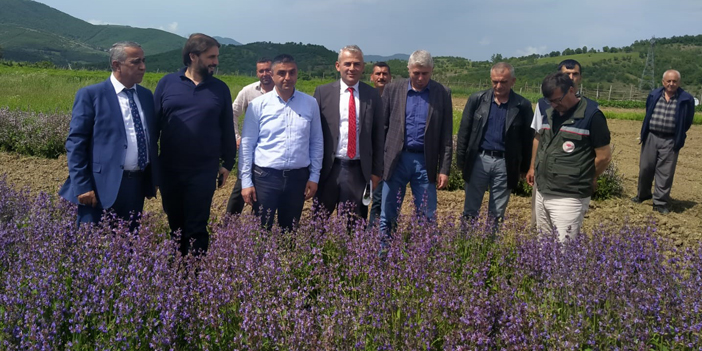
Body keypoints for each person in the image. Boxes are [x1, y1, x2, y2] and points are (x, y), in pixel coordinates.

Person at [59, 41, 158, 232]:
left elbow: (151, 139)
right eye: (135, 62)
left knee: (128, 248)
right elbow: (75, 143)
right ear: (116, 65)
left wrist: (153, 178)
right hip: (98, 187)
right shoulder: (92, 95)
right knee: (93, 249)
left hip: (135, 186)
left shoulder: (146, 96)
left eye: (144, 61)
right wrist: (82, 185)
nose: (143, 67)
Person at [154, 33, 236, 256]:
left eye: (216, 57)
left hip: (203, 171)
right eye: (211, 57)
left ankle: (195, 279)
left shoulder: (220, 89)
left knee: (197, 227)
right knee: (176, 226)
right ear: (193, 56)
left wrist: (228, 163)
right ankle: (176, 275)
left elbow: (227, 129)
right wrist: (153, 167)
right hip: (170, 170)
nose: (215, 62)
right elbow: (154, 126)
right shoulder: (167, 83)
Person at [239, 54, 323, 231]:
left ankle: (288, 259)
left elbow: (316, 141)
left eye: (292, 73)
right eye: (282, 73)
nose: (287, 78)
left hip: (298, 178)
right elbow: (247, 145)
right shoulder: (258, 105)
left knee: (289, 232)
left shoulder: (310, 103)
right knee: (261, 231)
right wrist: (246, 181)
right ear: (272, 75)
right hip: (265, 178)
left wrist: (314, 176)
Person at [380, 50, 453, 240]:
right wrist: (379, 161)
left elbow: (446, 134)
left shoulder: (442, 93)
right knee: (387, 213)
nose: (420, 78)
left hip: (425, 161)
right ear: (409, 69)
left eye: (425, 73)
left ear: (432, 71)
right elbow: (383, 128)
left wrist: (444, 169)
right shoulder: (393, 89)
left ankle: (423, 259)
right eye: (416, 73)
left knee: (427, 215)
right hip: (396, 158)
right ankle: (382, 256)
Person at [533, 72, 612, 242]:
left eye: (557, 100)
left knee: (563, 251)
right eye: (550, 101)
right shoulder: (549, 113)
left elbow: (604, 157)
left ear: (571, 90)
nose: (554, 105)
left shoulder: (592, 116)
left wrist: (588, 176)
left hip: (569, 197)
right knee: (542, 247)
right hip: (543, 192)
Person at [456, 62, 533, 226]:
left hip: (505, 164)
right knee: (470, 210)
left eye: (503, 82)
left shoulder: (522, 106)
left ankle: (490, 248)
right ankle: (466, 245)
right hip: (479, 160)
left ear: (513, 81)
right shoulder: (477, 100)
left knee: (497, 214)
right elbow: (465, 131)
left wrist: (524, 168)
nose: (498, 86)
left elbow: (528, 139)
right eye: (495, 81)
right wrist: (462, 161)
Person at [313, 45, 384, 222]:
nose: (352, 68)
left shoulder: (372, 95)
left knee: (354, 224)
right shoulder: (323, 92)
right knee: (318, 222)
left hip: (358, 171)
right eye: (347, 64)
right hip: (329, 168)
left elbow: (378, 136)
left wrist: (376, 172)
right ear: (338, 66)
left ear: (363, 67)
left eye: (357, 64)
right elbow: (314, 134)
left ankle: (350, 251)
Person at [527, 59, 584, 227]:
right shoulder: (543, 104)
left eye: (575, 74)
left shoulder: (586, 108)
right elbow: (537, 137)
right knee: (539, 219)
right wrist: (532, 166)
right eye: (567, 74)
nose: (572, 77)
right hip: (544, 171)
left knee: (565, 224)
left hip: (569, 177)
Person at [632, 70, 695, 214]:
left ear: (679, 83)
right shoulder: (654, 95)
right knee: (645, 168)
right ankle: (643, 194)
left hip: (671, 139)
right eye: (669, 81)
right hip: (651, 136)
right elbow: (648, 111)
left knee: (665, 172)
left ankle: (660, 202)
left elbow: (688, 120)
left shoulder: (686, 99)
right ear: (663, 82)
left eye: (674, 81)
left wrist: (679, 133)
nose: (671, 84)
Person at [225, 58, 274, 215]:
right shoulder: (248, 91)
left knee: (264, 188)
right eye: (261, 71)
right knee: (241, 185)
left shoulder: (281, 91)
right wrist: (236, 136)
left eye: (268, 70)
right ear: (257, 73)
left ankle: (257, 224)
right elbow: (232, 113)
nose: (265, 74)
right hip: (250, 148)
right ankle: (228, 225)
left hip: (270, 150)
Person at [368, 61, 394, 226]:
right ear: (372, 77)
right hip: (367, 160)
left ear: (390, 77)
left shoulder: (396, 99)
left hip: (389, 160)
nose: (381, 77)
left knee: (384, 200)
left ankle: (381, 235)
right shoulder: (366, 98)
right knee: (366, 199)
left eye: (385, 74)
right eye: (378, 73)